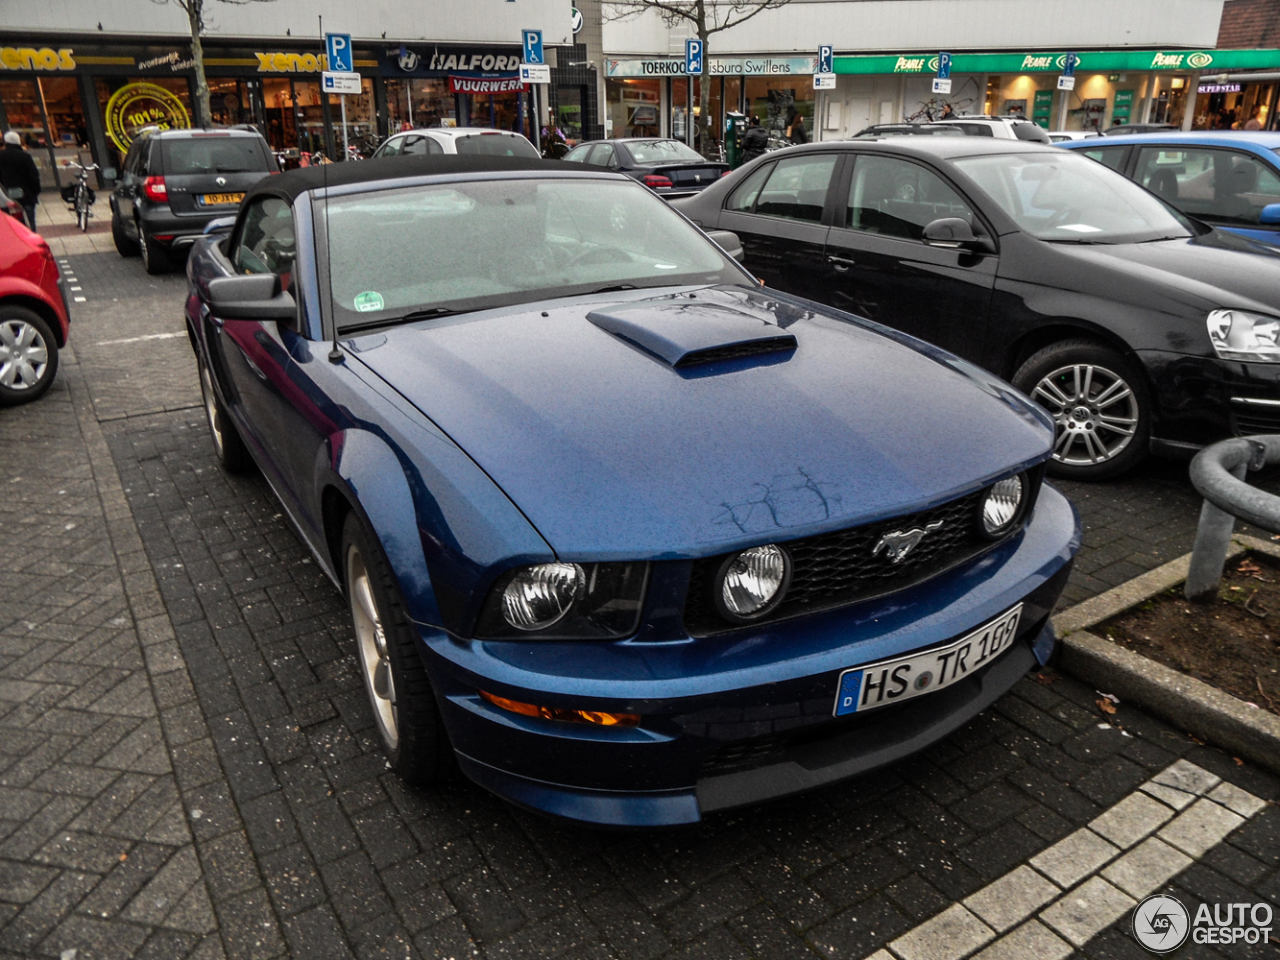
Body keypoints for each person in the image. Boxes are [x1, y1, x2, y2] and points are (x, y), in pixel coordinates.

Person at [0, 130, 40, 230]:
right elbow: (33, 175)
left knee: (11, 222)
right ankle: (31, 241)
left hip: (7, 194)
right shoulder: (25, 156)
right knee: (30, 220)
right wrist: (35, 191)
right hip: (26, 194)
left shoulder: (1, 156)